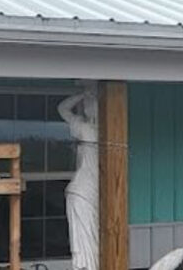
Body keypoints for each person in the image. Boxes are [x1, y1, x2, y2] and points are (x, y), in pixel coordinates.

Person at [59, 85, 100, 270]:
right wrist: (83, 94)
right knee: (84, 238)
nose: (89, 108)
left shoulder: (102, 130)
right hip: (82, 190)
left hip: (89, 189)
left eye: (92, 104)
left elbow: (63, 109)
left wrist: (84, 94)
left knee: (91, 236)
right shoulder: (85, 128)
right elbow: (62, 109)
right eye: (87, 105)